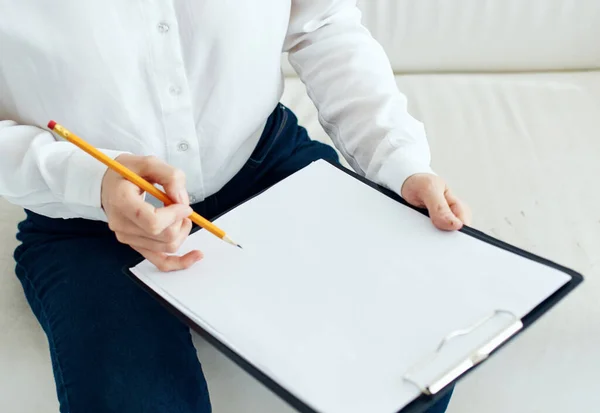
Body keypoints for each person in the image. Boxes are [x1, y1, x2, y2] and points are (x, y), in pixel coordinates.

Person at [0, 1, 470, 412]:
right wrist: (89, 180)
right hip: (87, 220)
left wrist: (400, 162)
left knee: (416, 353)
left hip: (264, 165)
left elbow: (322, 26)